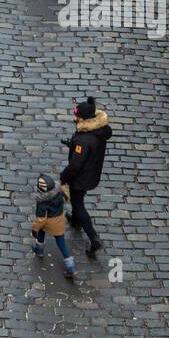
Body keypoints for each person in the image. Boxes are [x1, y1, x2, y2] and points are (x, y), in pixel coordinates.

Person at [60, 96, 112, 256]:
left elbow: (75, 165)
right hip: (92, 172)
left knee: (78, 203)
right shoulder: (98, 131)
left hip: (81, 178)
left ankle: (93, 238)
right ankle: (75, 220)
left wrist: (64, 177)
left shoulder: (83, 140)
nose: (76, 119)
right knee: (78, 201)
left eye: (78, 117)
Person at [30, 173, 76, 280]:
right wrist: (63, 185)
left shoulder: (42, 202)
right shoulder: (59, 194)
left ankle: (39, 249)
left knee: (41, 231)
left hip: (48, 223)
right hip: (59, 221)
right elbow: (66, 197)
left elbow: (41, 219)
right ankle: (70, 266)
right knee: (61, 243)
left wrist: (34, 229)